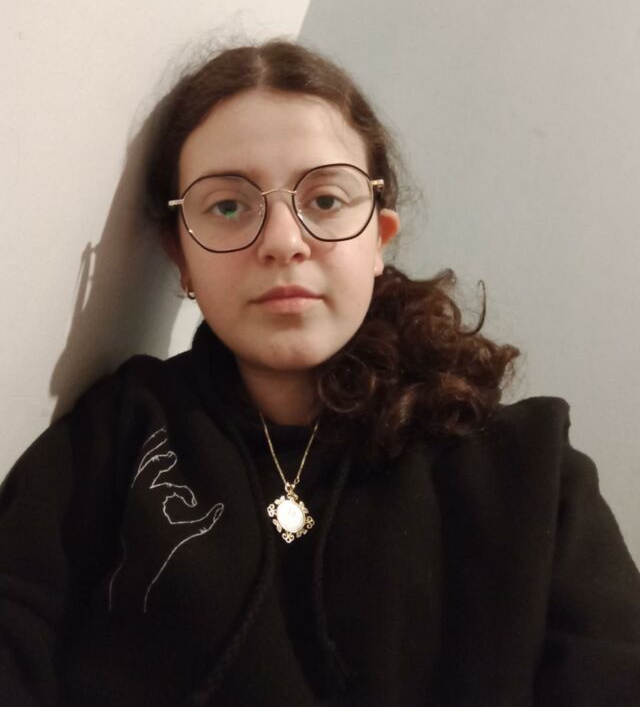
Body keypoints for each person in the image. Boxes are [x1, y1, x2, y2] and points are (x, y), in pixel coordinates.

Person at [1, 39, 639, 707]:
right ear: (181, 257)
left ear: (378, 240)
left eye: (326, 200)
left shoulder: (533, 471)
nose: (283, 240)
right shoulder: (117, 436)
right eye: (228, 206)